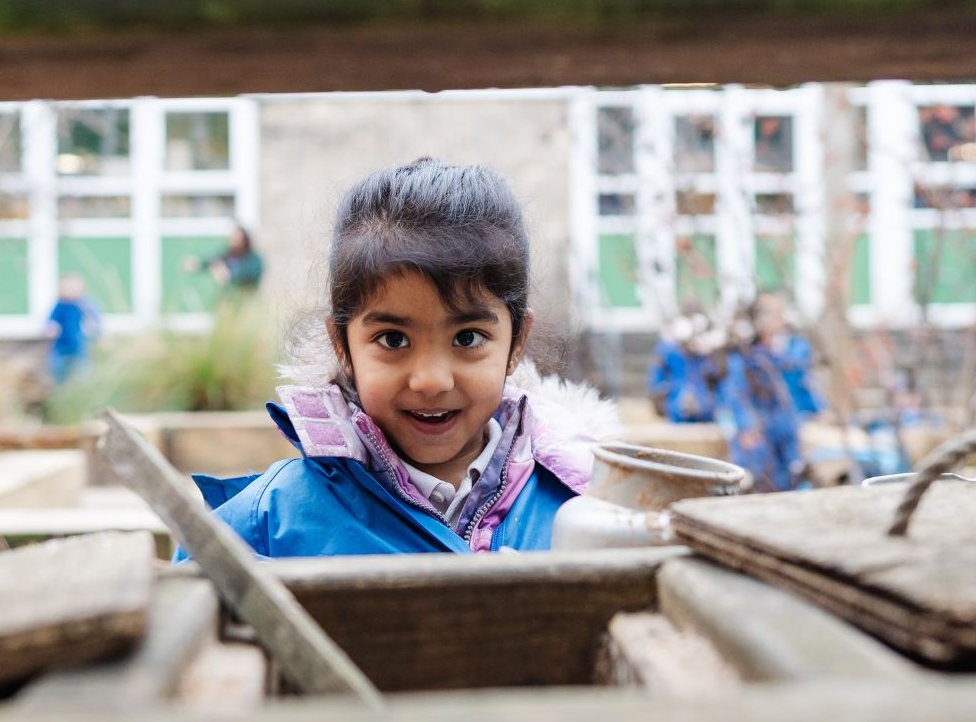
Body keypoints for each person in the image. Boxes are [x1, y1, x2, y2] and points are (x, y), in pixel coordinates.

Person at [193, 158, 618, 557]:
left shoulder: (590, 505)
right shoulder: (271, 521)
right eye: (393, 340)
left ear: (516, 343)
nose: (431, 381)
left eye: (467, 337)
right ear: (342, 345)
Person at [717, 293, 823, 492]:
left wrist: (818, 409)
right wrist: (747, 426)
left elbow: (803, 383)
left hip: (785, 424)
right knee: (761, 478)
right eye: (770, 313)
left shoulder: (792, 348)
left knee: (793, 474)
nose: (778, 319)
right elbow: (736, 393)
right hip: (758, 428)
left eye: (778, 313)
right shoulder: (743, 355)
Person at [45, 275, 101, 385]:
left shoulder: (83, 304)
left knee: (82, 367)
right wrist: (51, 327)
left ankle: (82, 387)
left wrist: (96, 330)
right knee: (59, 368)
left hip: (79, 343)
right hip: (61, 344)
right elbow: (52, 319)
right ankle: (60, 385)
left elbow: (94, 318)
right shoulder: (60, 305)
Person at [186, 223, 264, 294]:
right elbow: (212, 260)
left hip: (245, 298)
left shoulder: (254, 259)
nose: (234, 243)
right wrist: (199, 264)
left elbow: (248, 272)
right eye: (232, 239)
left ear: (245, 241)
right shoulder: (227, 255)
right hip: (227, 299)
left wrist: (229, 274)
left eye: (237, 240)